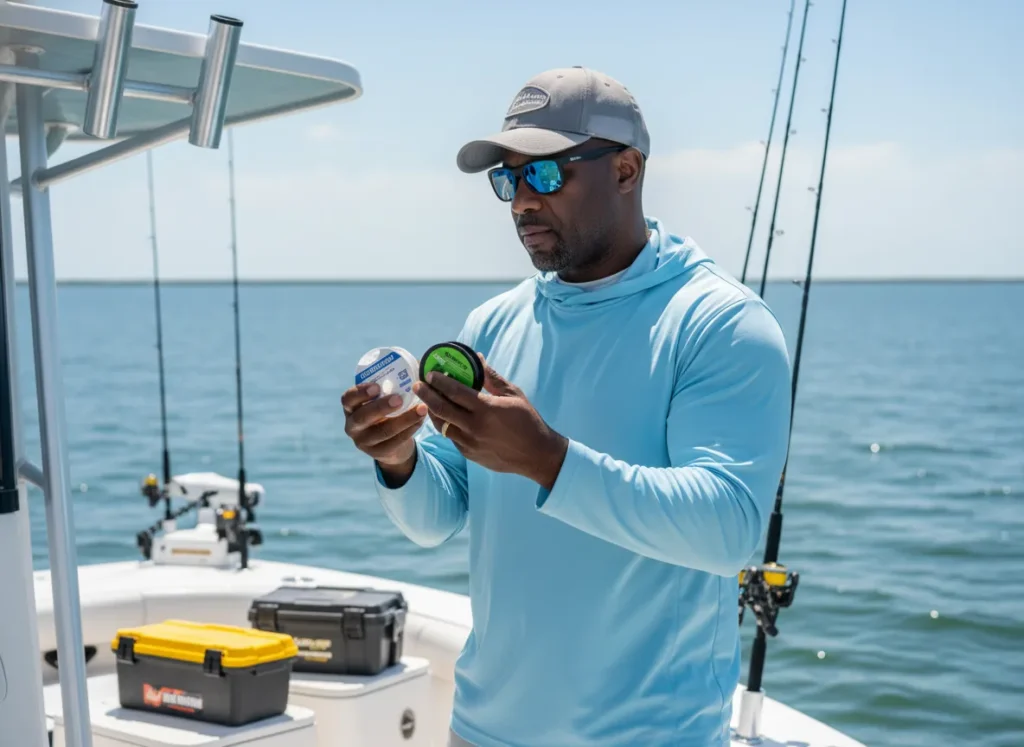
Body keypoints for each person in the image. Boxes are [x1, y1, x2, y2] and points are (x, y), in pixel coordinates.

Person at [340, 66, 793, 747]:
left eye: (545, 174)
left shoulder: (720, 323)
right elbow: (436, 517)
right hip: (482, 728)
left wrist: (549, 461)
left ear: (626, 169)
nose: (521, 200)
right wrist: (398, 458)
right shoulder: (491, 323)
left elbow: (727, 527)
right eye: (508, 179)